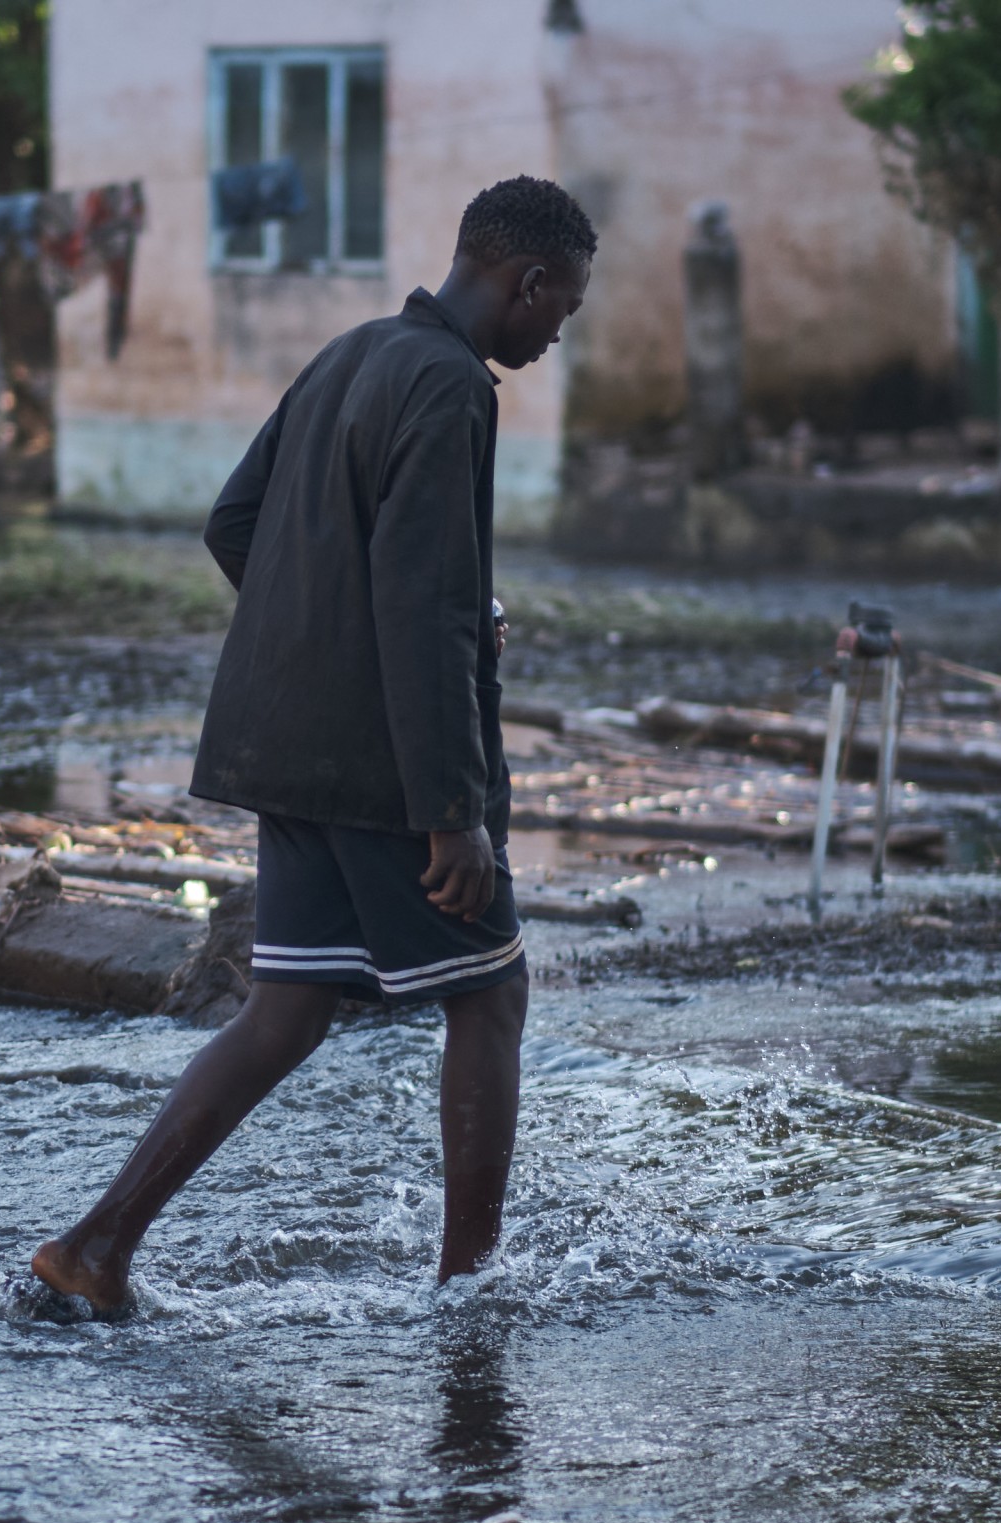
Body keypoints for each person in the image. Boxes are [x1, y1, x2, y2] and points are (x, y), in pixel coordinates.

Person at [32, 177, 597, 1313]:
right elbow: (422, 611)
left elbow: (235, 524)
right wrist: (454, 814)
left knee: (286, 1011)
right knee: (491, 994)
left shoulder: (352, 352)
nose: (558, 332)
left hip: (287, 744)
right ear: (527, 281)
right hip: (383, 766)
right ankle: (471, 1288)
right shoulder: (451, 386)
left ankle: (95, 1249)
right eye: (563, 308)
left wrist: (328, 632)